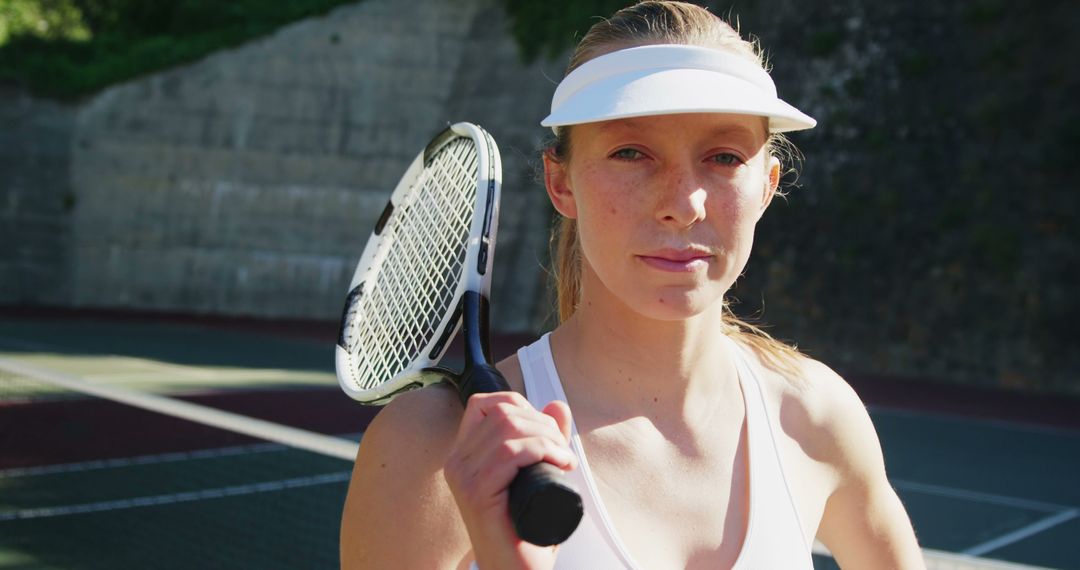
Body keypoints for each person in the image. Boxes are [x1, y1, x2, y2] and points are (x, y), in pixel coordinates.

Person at [340, 1, 924, 568]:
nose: (683, 204)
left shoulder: (816, 415)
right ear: (561, 183)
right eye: (630, 152)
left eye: (722, 157)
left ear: (767, 186)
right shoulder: (429, 446)